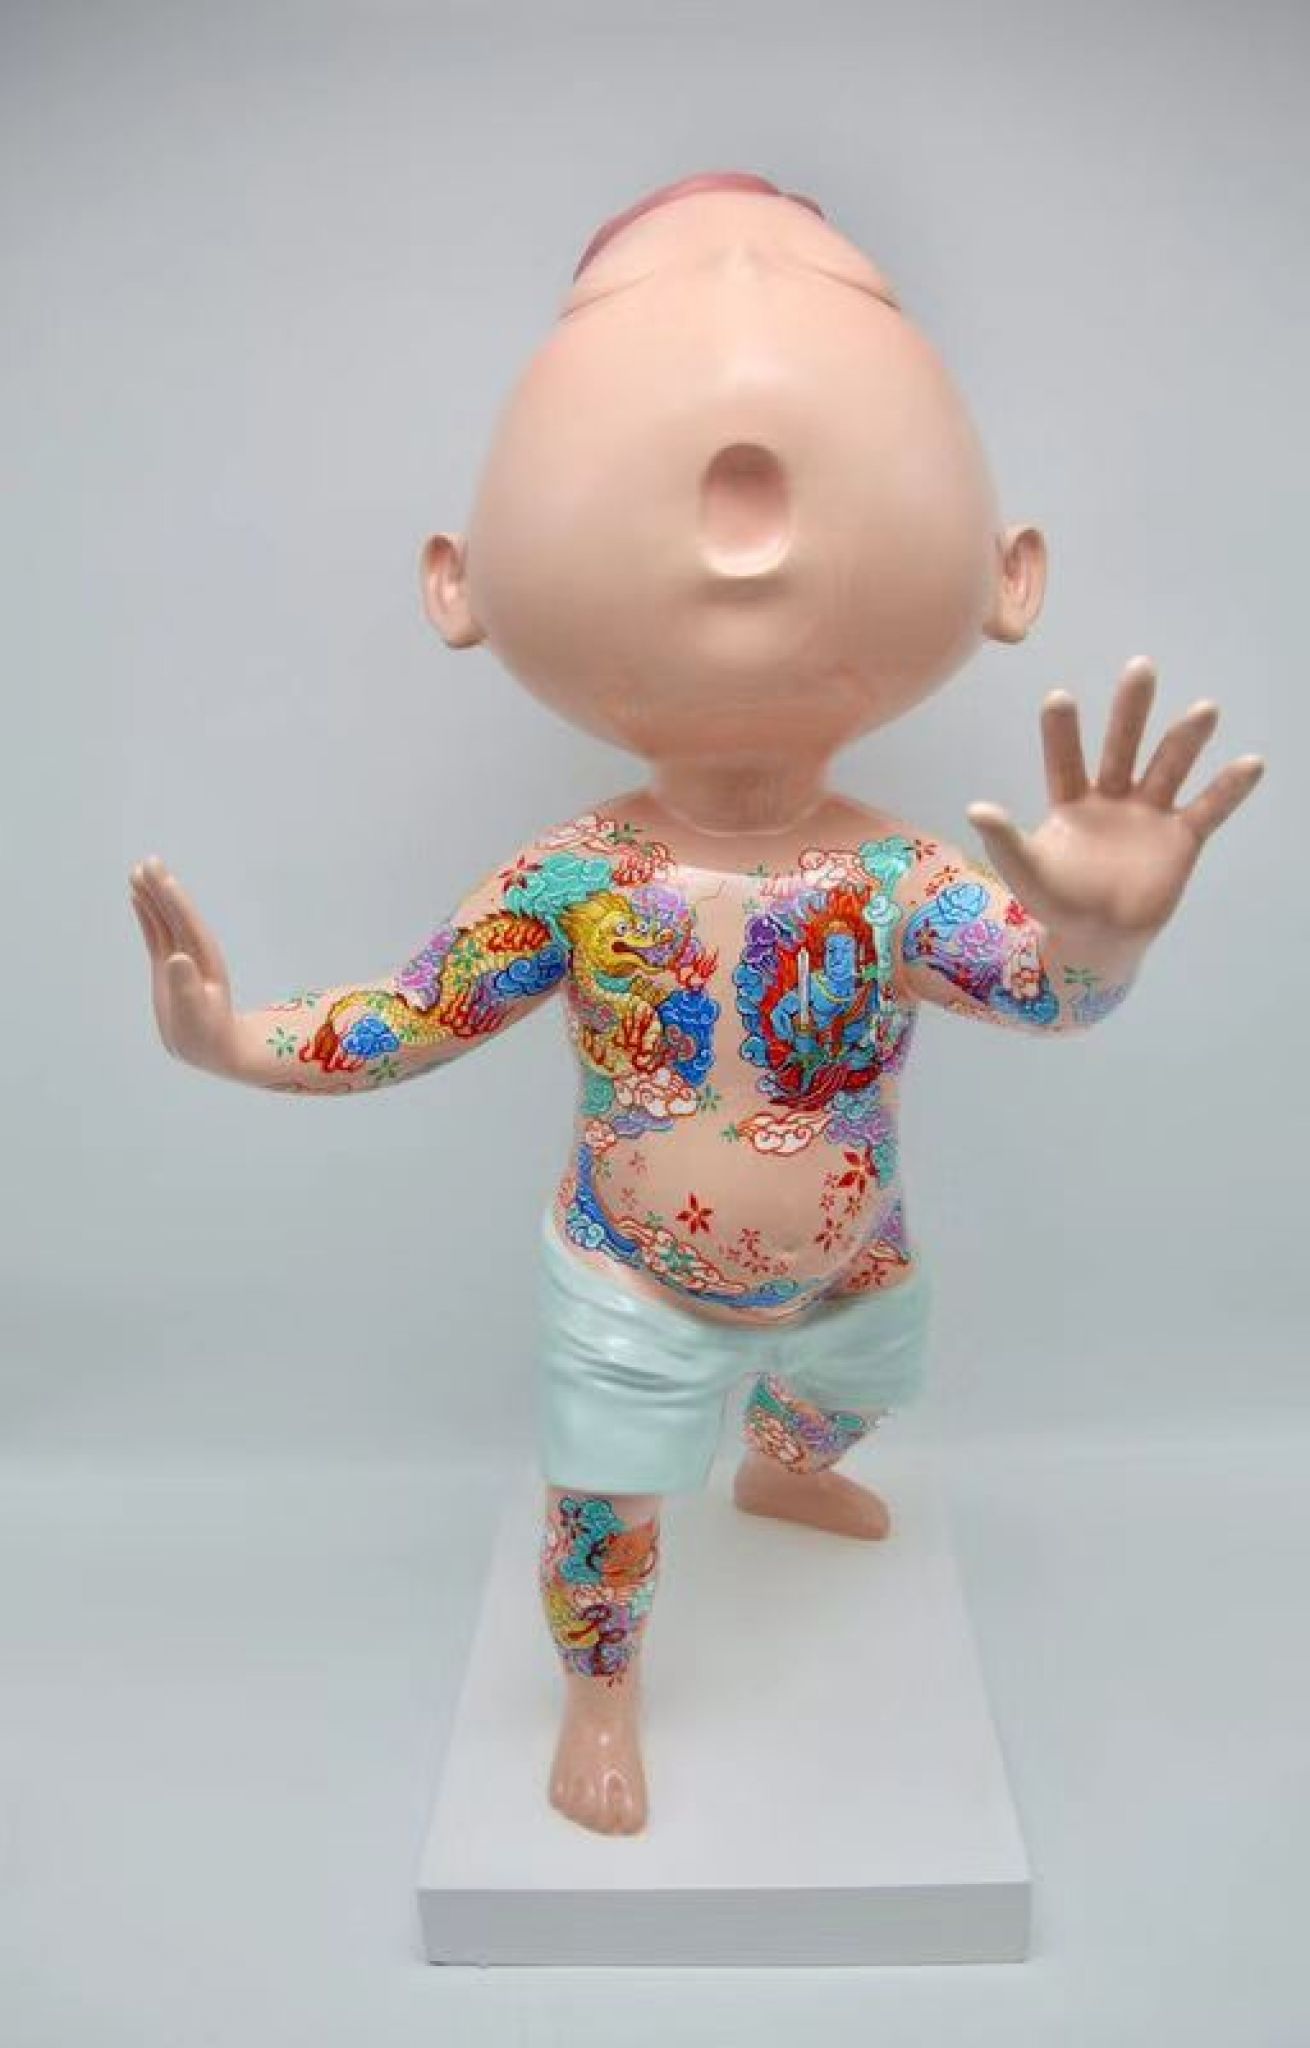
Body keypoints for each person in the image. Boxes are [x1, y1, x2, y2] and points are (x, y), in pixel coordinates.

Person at [130, 171, 1263, 1837]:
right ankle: (599, 1698)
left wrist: (1099, 941)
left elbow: (1047, 1001)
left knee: (867, 1386)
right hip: (629, 1275)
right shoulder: (574, 880)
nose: (744, 495)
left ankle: (787, 1463)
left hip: (853, 1254)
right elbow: (415, 1014)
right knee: (605, 1507)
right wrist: (236, 1042)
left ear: (1007, 574)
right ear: (460, 583)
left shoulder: (896, 879)